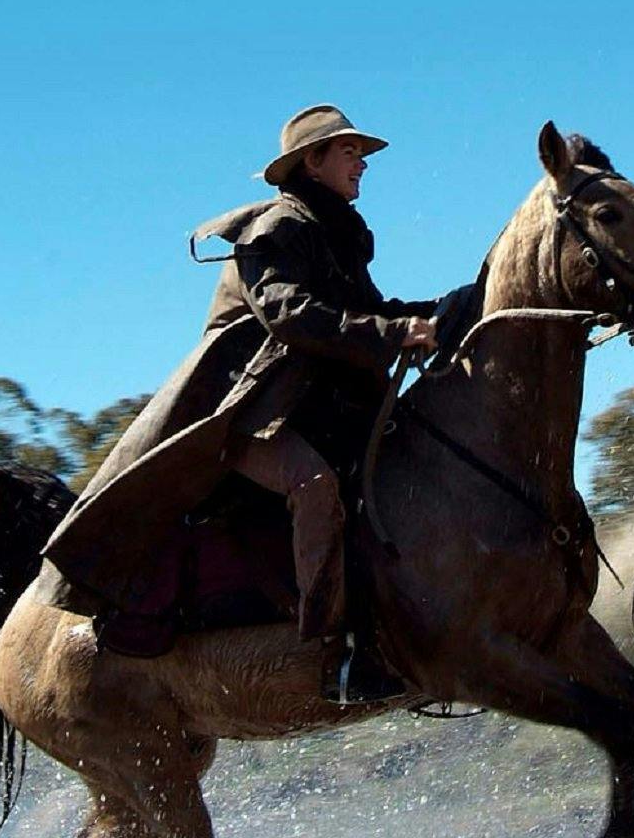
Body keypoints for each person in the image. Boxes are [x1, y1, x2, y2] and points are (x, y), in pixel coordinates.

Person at [41, 104, 472, 703]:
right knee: (315, 484)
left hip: (306, 406)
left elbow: (365, 311)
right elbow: (292, 316)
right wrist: (398, 334)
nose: (363, 164)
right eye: (350, 152)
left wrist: (451, 309)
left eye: (362, 154)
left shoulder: (333, 230)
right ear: (312, 161)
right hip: (246, 415)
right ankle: (335, 657)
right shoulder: (276, 228)